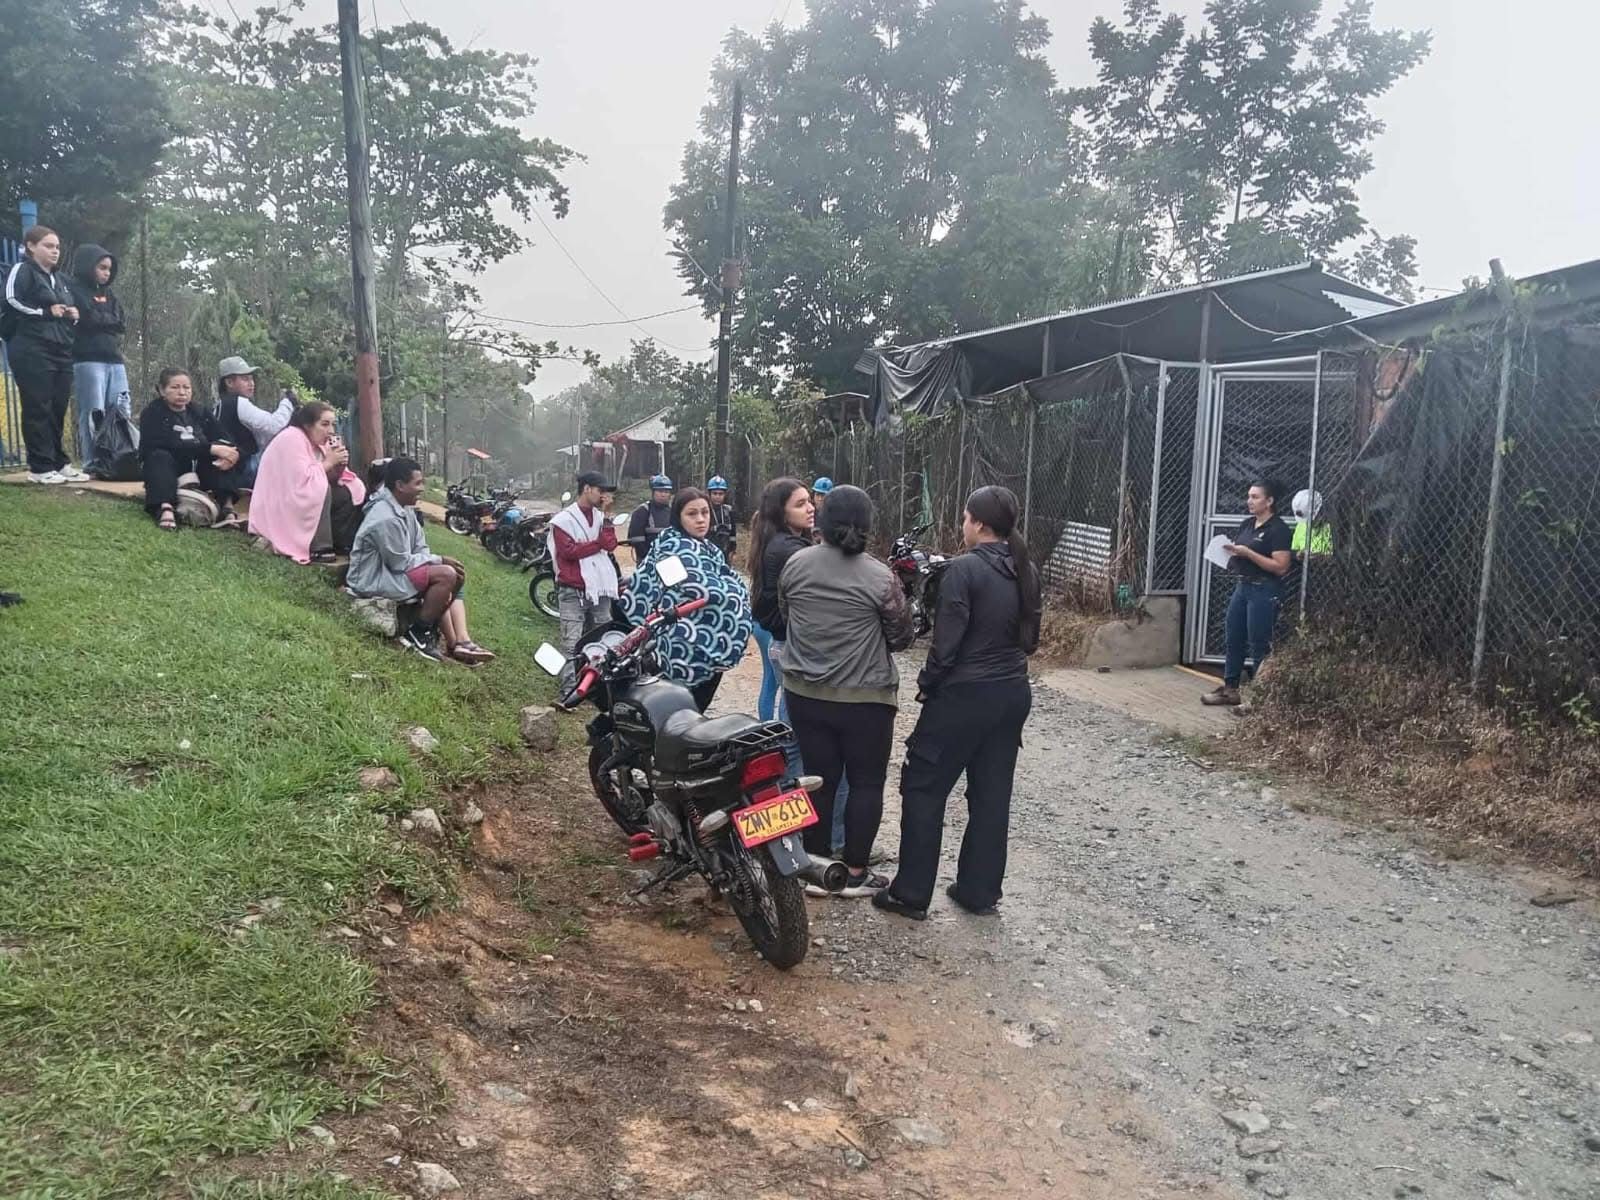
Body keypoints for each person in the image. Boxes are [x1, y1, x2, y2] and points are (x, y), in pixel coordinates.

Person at [874, 485, 1041, 921]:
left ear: (979, 524)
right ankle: (978, 891)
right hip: (1011, 693)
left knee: (923, 785)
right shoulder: (1026, 568)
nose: (962, 524)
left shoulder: (963, 571)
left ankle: (910, 893)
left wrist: (928, 685)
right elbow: (1031, 640)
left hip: (964, 695)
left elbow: (945, 645)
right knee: (991, 793)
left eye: (966, 517)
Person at [778, 484, 913, 896]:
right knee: (867, 783)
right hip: (865, 701)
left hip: (805, 696)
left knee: (819, 779)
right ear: (869, 526)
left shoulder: (795, 565)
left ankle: (817, 869)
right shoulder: (879, 576)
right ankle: (855, 873)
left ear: (822, 518)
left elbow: (787, 617)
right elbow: (902, 635)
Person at [348, 456, 492, 664]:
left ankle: (454, 643)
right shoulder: (385, 517)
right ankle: (417, 633)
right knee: (445, 575)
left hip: (394, 571)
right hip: (373, 578)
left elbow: (419, 546)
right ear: (399, 486)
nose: (422, 488)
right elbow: (398, 563)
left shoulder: (404, 508)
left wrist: (434, 561)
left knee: (455, 574)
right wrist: (438, 560)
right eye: (417, 483)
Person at [621, 487, 753, 711]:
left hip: (706, 644)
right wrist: (736, 591)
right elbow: (702, 589)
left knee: (694, 711)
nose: (701, 520)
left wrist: (735, 589)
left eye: (705, 512)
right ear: (678, 517)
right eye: (692, 514)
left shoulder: (708, 547)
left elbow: (727, 580)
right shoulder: (673, 546)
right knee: (681, 712)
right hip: (681, 647)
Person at [3, 225, 84, 483]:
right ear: (30, 246)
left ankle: (58, 462)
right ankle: (39, 468)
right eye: (48, 246)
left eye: (57, 247)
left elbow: (63, 308)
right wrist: (46, 312)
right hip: (30, 347)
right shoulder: (22, 270)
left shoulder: (59, 279)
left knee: (58, 406)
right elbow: (11, 299)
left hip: (59, 348)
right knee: (37, 405)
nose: (55, 251)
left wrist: (71, 314)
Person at [1202, 479, 1293, 707]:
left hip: (1264, 589)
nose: (1249, 501)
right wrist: (1232, 553)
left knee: (1259, 642)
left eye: (1255, 497)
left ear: (1269, 501)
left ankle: (1259, 696)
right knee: (1234, 636)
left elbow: (1281, 566)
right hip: (1243, 586)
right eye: (1249, 496)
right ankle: (1230, 689)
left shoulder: (1278, 529)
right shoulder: (1247, 524)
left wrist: (1248, 554)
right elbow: (1242, 549)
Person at [247, 402, 366, 563]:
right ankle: (319, 547)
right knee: (319, 488)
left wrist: (339, 467)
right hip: (280, 502)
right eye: (324, 424)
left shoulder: (317, 444)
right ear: (307, 425)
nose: (330, 431)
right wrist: (330, 462)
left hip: (297, 494)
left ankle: (340, 541)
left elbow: (327, 477)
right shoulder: (292, 438)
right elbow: (304, 481)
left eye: (333, 425)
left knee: (349, 488)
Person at [138, 368, 247, 531]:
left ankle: (227, 507)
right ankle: (165, 508)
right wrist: (210, 448)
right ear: (161, 390)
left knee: (222, 458)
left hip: (198, 468)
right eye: (175, 388)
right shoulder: (152, 412)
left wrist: (232, 454)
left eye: (186, 388)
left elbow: (224, 437)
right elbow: (164, 442)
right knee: (158, 456)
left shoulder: (199, 412)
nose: (182, 393)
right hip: (169, 468)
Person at [750, 477, 817, 728]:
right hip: (789, 644)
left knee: (789, 710)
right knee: (794, 727)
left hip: (782, 642)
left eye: (809, 501)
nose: (810, 508)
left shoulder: (780, 541)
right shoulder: (789, 549)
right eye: (800, 504)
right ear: (781, 513)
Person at [549, 470, 622, 689]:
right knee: (571, 642)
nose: (603, 497)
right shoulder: (563, 520)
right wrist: (597, 544)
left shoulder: (601, 517)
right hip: (573, 588)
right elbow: (569, 552)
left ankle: (596, 687)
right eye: (601, 491)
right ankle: (569, 690)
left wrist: (608, 517)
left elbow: (610, 544)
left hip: (599, 588)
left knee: (601, 642)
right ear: (587, 489)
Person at [65, 242, 129, 470]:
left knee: (120, 409)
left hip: (115, 359)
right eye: (102, 267)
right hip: (87, 360)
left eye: (109, 269)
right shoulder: (72, 288)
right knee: (93, 411)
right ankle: (92, 462)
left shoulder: (109, 293)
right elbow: (85, 318)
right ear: (89, 265)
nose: (106, 273)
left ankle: (120, 458)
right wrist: (100, 318)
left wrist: (96, 318)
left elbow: (121, 321)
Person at [212, 356, 292, 487]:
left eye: (251, 378)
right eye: (245, 379)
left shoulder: (218, 406)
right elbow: (274, 426)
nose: (251, 383)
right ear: (229, 382)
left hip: (232, 470)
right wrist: (288, 402)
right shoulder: (239, 403)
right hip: (245, 468)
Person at [627, 474, 674, 559]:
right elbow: (637, 541)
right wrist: (650, 559)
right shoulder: (642, 511)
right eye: (660, 491)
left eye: (666, 492)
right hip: (647, 560)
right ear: (653, 492)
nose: (663, 495)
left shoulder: (673, 512)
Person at [1291, 488, 1333, 558]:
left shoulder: (1330, 527)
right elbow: (1295, 549)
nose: (1308, 524)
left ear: (1319, 512)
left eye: (1311, 521)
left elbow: (1334, 556)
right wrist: (1299, 554)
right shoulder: (1301, 526)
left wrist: (1318, 556)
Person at [706, 475, 736, 561]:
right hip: (709, 551)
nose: (718, 497)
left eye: (720, 494)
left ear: (725, 495)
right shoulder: (706, 511)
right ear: (709, 494)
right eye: (714, 493)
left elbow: (733, 533)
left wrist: (733, 549)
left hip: (725, 551)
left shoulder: (729, 511)